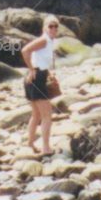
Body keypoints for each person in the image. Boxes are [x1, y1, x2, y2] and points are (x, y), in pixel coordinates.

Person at [22, 16, 60, 156]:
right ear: (45, 27)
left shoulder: (49, 41)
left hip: (37, 77)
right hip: (36, 78)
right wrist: (32, 69)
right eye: (51, 26)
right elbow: (25, 51)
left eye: (56, 26)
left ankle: (31, 143)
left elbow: (39, 60)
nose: (54, 29)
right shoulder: (44, 40)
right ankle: (46, 148)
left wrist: (48, 74)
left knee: (36, 114)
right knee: (47, 115)